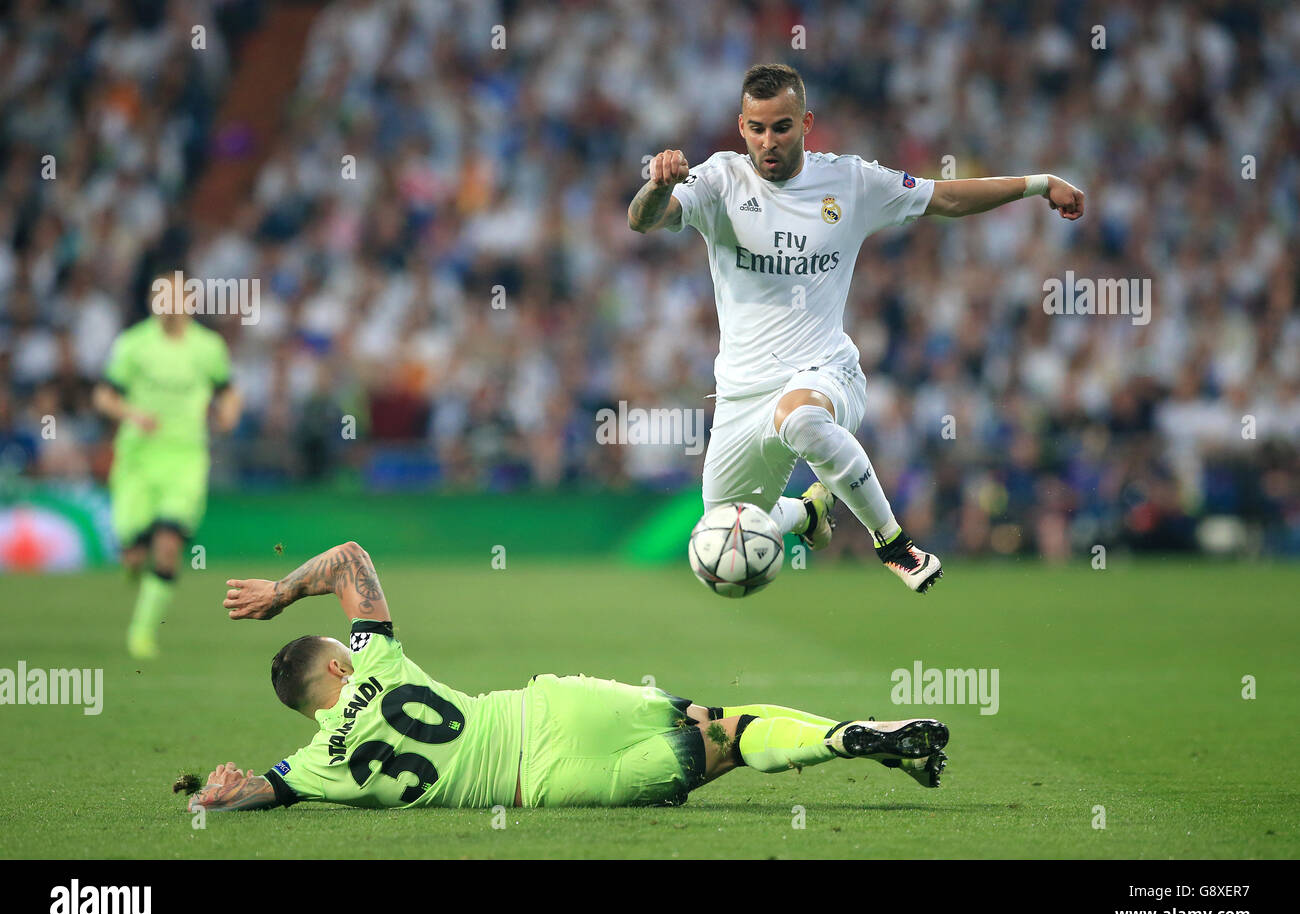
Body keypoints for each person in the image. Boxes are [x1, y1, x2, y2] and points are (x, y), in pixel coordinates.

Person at [628, 63, 1085, 592]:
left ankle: (894, 545)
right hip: (739, 393)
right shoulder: (718, 180)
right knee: (721, 539)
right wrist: (658, 185)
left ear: (806, 123)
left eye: (782, 126)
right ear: (741, 127)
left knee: (799, 420)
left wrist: (1039, 184)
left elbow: (946, 197)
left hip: (824, 371)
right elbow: (642, 219)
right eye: (757, 128)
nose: (768, 141)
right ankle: (806, 515)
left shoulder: (849, 181)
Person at [183, 541, 949, 813]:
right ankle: (848, 733)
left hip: (546, 783)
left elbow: (256, 792)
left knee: (724, 752)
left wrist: (222, 790)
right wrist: (282, 594)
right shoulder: (375, 660)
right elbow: (351, 557)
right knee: (729, 718)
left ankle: (847, 739)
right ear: (341, 661)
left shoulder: (317, 766)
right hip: (548, 707)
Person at [93, 270, 241, 658]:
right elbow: (104, 396)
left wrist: (228, 414)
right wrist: (131, 414)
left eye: (175, 296)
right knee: (135, 553)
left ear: (189, 301)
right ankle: (131, 559)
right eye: (161, 296)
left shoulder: (208, 347)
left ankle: (142, 634)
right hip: (138, 460)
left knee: (167, 545)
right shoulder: (133, 344)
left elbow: (227, 392)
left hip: (185, 458)